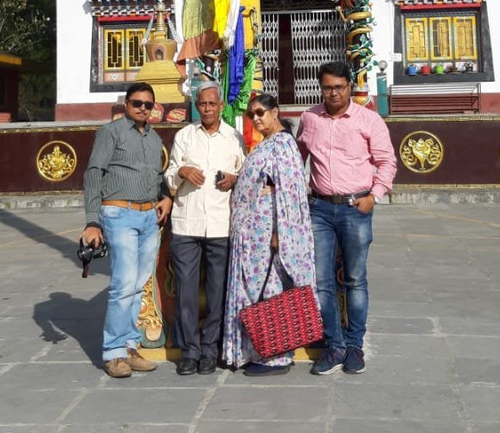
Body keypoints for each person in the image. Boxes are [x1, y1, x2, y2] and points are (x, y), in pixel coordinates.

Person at [297, 60, 397, 376]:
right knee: (321, 280)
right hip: (320, 209)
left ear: (349, 87)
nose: (334, 93)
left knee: (355, 279)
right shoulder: (310, 118)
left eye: (339, 87)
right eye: (328, 88)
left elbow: (387, 162)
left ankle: (355, 345)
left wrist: (374, 196)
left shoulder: (369, 120)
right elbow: (296, 159)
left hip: (356, 208)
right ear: (320, 88)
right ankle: (334, 345)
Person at [80, 82, 172, 378]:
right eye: (137, 103)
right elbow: (94, 173)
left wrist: (166, 197)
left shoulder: (153, 138)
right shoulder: (111, 132)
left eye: (148, 105)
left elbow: (156, 176)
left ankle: (130, 346)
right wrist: (92, 220)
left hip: (148, 216)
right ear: (126, 104)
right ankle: (113, 352)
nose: (143, 108)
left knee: (138, 284)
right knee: (122, 284)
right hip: (119, 212)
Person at [222, 93, 316, 377]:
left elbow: (289, 193)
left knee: (270, 291)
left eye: (261, 112)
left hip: (269, 235)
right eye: (251, 114)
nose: (256, 118)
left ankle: (275, 356)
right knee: (254, 292)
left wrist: (279, 234)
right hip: (252, 235)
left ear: (275, 112)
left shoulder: (283, 145)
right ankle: (256, 351)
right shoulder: (266, 144)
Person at [165, 81, 245, 376]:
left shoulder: (234, 137)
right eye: (203, 104)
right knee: (185, 291)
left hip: (221, 224)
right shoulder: (185, 136)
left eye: (213, 104)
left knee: (217, 291)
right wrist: (182, 171)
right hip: (187, 222)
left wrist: (234, 179)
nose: (208, 109)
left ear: (221, 106)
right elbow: (170, 176)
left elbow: (245, 173)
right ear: (196, 106)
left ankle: (211, 349)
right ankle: (189, 351)